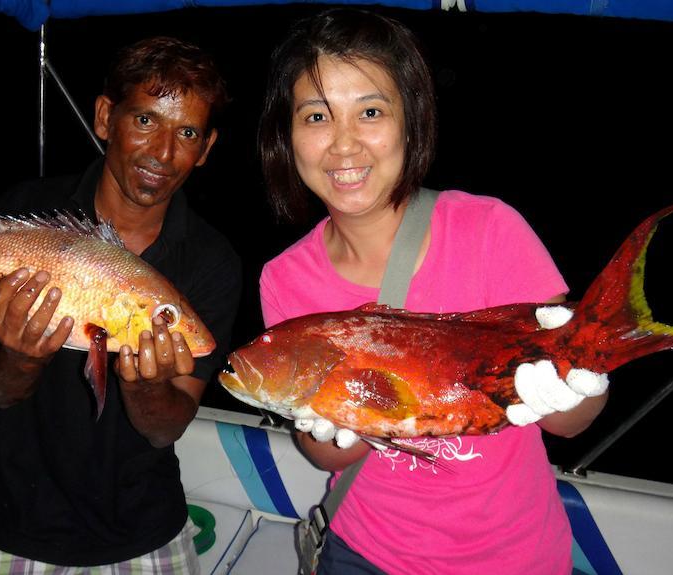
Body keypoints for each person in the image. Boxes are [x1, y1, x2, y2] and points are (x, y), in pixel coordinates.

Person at [257, 9, 608, 574]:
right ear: (287, 135)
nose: (344, 145)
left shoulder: (490, 230)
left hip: (515, 559)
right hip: (363, 554)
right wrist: (336, 422)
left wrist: (581, 382)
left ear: (411, 121)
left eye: (370, 111)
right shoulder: (284, 278)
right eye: (317, 115)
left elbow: (571, 422)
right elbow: (327, 454)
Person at [0, 36, 241, 573]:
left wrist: (145, 384)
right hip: (15, 524)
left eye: (186, 133)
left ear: (205, 149)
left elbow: (165, 427)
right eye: (144, 121)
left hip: (145, 528)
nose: (162, 152)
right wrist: (21, 356)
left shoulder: (212, 261)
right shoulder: (27, 214)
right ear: (106, 117)